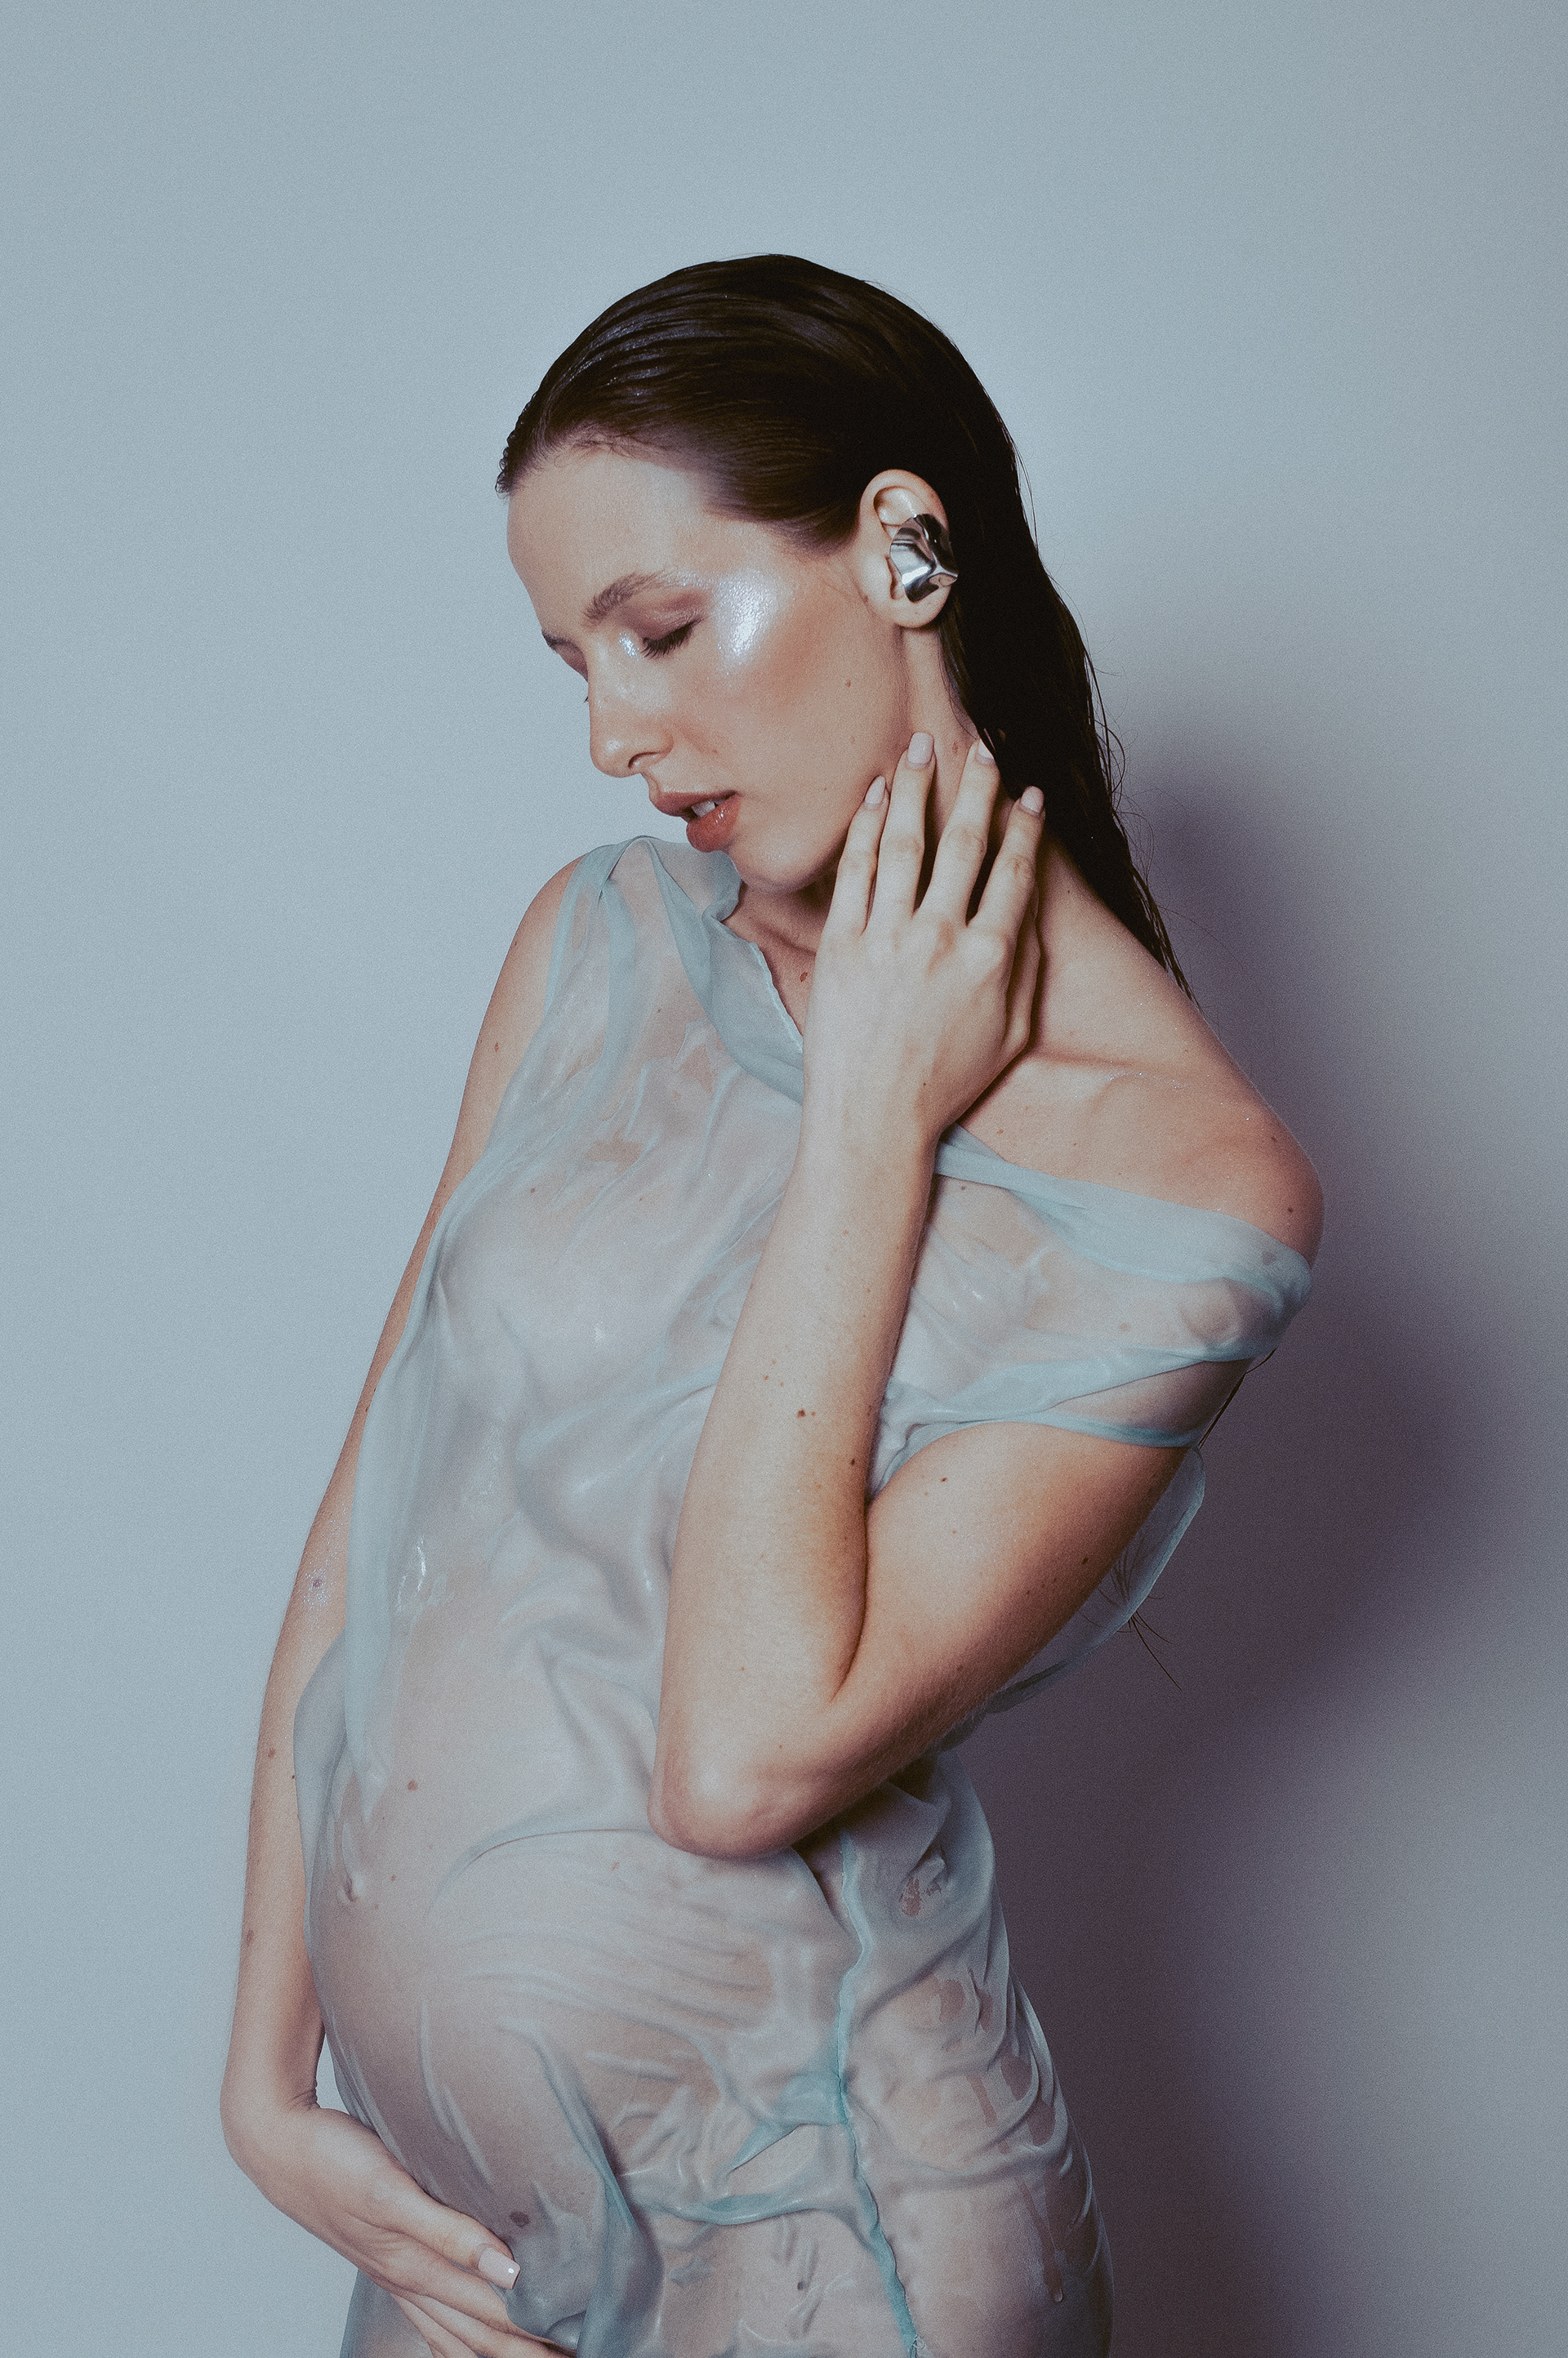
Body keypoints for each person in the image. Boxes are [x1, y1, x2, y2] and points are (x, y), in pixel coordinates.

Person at [221, 256, 1321, 2358]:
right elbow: (383, 1518)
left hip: (842, 2237)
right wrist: (270, 2073)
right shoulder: (594, 943)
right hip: (468, 2230)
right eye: (575, 665)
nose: (617, 734)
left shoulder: (1188, 1180)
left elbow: (745, 1752)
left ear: (905, 550)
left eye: (660, 630)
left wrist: (872, 1116)